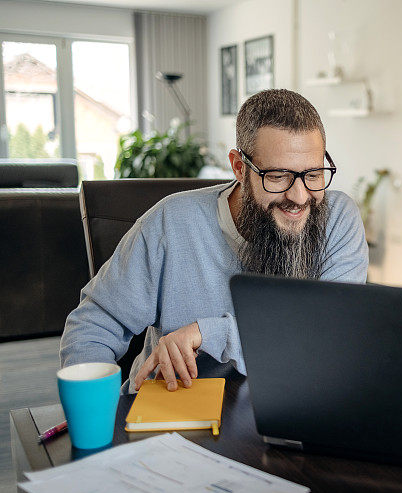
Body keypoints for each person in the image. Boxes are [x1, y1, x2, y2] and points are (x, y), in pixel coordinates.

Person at [60, 89, 368, 392]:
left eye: (313, 175)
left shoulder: (337, 218)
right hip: (176, 411)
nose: (299, 197)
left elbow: (330, 331)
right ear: (238, 167)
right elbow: (93, 325)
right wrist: (98, 412)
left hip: (291, 409)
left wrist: (207, 333)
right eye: (278, 177)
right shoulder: (170, 222)